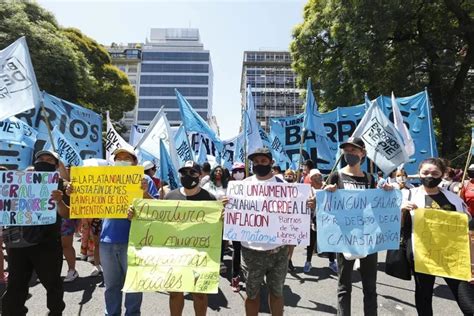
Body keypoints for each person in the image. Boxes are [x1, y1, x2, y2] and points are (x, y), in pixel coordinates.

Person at [324, 137, 393, 316]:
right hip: (344, 239)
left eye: (354, 151)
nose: (350, 154)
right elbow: (323, 208)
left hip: (368, 239)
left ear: (363, 154)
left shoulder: (371, 179)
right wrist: (327, 194)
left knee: (370, 287)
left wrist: (386, 194)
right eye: (347, 151)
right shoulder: (336, 176)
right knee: (344, 286)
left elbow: (378, 207)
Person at [402, 157, 474, 316]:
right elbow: (395, 227)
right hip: (423, 257)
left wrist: (471, 262)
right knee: (423, 297)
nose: (430, 176)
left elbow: (466, 229)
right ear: (419, 173)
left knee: (468, 302)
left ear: (442, 174)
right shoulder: (408, 195)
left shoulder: (453, 199)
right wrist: (402, 210)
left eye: (435, 173)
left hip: (452, 257)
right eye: (425, 172)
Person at [2, 150, 70, 316]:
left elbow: (67, 214)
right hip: (19, 244)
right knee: (15, 285)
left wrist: (60, 200)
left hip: (47, 244)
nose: (44, 161)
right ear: (34, 162)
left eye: (49, 159)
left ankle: (55, 312)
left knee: (52, 284)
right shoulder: (18, 180)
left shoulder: (60, 184)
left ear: (55, 165)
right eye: (41, 158)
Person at [93, 148, 157, 316]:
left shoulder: (146, 180)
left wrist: (144, 193)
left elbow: (157, 208)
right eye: (118, 157)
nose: (121, 160)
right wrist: (74, 190)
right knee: (111, 286)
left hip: (133, 241)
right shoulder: (106, 179)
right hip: (107, 240)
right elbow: (90, 198)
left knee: (133, 285)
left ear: (134, 162)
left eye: (126, 157)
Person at [165, 160, 216, 316]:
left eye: (192, 172)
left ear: (200, 175)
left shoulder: (210, 199)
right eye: (184, 173)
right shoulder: (170, 197)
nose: (187, 176)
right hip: (175, 254)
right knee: (175, 293)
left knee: (199, 294)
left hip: (200, 255)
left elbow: (216, 229)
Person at [241, 147, 289, 316]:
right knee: (252, 294)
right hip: (251, 251)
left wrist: (308, 205)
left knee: (277, 293)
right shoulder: (242, 186)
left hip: (278, 251)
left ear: (271, 162)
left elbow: (294, 215)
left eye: (263, 161)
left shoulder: (284, 186)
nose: (258, 164)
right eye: (255, 162)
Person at [304, 168, 337, 274]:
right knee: (311, 242)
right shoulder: (309, 190)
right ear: (311, 179)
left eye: (319, 175)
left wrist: (331, 189)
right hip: (314, 220)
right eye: (315, 176)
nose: (318, 177)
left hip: (327, 219)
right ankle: (308, 261)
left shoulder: (327, 186)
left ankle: (332, 262)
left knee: (330, 241)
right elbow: (307, 203)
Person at [202, 165, 229, 274]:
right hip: (211, 216)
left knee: (222, 239)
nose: (218, 172)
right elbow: (203, 197)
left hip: (223, 216)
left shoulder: (227, 186)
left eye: (220, 171)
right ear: (213, 172)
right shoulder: (208, 185)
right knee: (211, 238)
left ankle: (220, 260)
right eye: (216, 170)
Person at [229, 161, 245, 292]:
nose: (238, 173)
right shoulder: (229, 186)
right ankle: (235, 277)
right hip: (235, 224)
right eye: (236, 171)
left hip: (252, 225)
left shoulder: (252, 184)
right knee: (237, 250)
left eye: (241, 171)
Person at [283, 169, 297, 271]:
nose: (288, 177)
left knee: (291, 242)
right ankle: (283, 261)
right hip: (282, 218)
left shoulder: (298, 187)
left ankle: (289, 260)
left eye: (290, 176)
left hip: (294, 218)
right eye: (286, 175)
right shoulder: (280, 186)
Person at [61, 217, 79, 282]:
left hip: (66, 216)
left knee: (66, 245)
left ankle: (72, 270)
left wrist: (79, 220)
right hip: (49, 217)